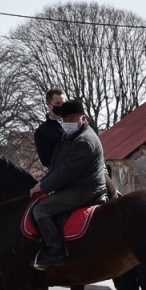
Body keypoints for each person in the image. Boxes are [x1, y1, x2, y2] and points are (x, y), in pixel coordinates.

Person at [29, 99, 109, 268]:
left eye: (72, 119)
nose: (68, 123)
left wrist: (43, 187)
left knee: (40, 209)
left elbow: (67, 172)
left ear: (83, 118)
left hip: (85, 189)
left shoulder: (84, 141)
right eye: (65, 120)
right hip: (76, 184)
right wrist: (41, 183)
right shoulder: (69, 137)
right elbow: (56, 166)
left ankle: (55, 252)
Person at [34, 86, 68, 169]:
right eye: (57, 103)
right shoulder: (42, 131)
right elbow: (47, 161)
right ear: (48, 104)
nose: (61, 106)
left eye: (63, 103)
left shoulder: (76, 122)